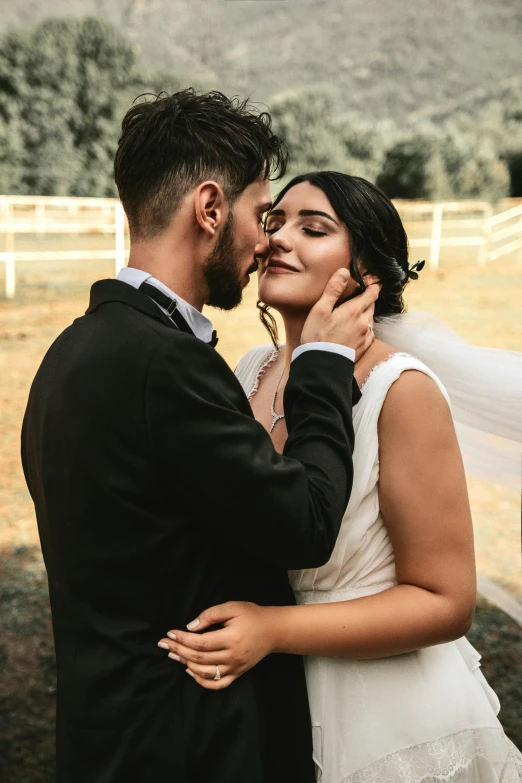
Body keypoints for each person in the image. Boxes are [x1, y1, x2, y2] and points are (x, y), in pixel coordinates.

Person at [20, 96, 381, 783]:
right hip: (187, 746)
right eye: (260, 214)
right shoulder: (164, 364)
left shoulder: (68, 353)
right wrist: (325, 366)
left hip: (102, 736)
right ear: (210, 208)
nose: (265, 241)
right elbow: (305, 521)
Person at [159, 172, 522, 782]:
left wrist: (272, 628)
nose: (279, 239)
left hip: (387, 720)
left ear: (367, 276)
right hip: (270, 707)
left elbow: (447, 602)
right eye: (274, 221)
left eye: (314, 228)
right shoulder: (251, 371)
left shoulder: (399, 391)